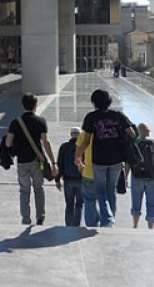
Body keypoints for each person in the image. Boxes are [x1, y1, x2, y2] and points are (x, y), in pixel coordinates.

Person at [75, 89, 135, 228]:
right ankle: (109, 220)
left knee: (100, 190)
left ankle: (108, 219)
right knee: (111, 190)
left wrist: (78, 156)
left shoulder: (91, 117)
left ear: (94, 102)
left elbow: (86, 141)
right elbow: (132, 133)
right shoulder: (118, 115)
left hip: (99, 160)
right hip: (116, 159)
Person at [5, 92, 59, 225]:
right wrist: (53, 162)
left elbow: (8, 143)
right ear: (36, 105)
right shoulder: (41, 121)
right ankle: (40, 216)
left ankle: (25, 218)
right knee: (38, 188)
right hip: (38, 162)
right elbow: (46, 143)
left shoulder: (15, 122)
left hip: (22, 162)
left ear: (22, 106)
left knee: (24, 190)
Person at [127, 123, 154, 229]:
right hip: (151, 177)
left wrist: (125, 177)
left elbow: (128, 162)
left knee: (136, 202)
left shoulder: (134, 143)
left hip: (136, 177)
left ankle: (135, 225)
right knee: (152, 203)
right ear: (146, 131)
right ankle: (150, 227)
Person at [55, 127, 84, 227]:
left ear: (71, 134)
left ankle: (68, 226)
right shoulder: (83, 147)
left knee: (69, 204)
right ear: (80, 135)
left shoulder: (64, 147)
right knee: (79, 205)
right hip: (81, 179)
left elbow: (60, 164)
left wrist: (57, 179)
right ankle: (76, 225)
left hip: (68, 179)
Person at [75, 132, 99, 227]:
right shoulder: (107, 133)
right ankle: (107, 223)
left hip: (88, 172)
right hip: (104, 173)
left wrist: (81, 167)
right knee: (105, 200)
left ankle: (92, 224)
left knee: (89, 201)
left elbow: (77, 158)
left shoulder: (84, 134)